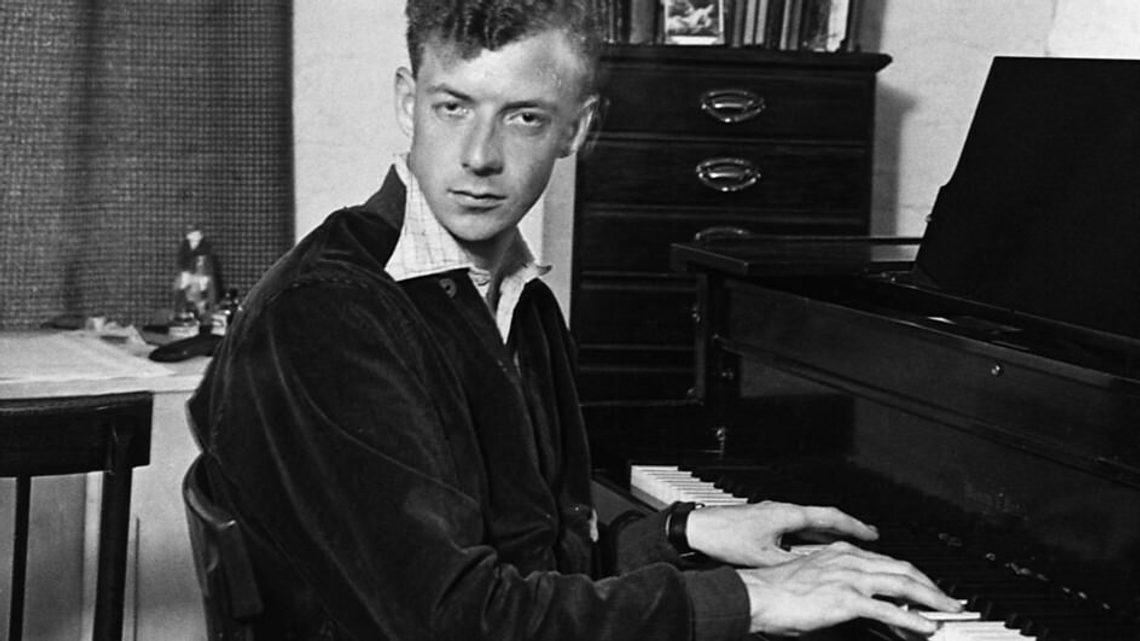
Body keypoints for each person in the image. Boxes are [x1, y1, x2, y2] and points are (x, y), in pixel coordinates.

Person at [187, 0, 962, 639]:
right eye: (452, 106)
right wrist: (754, 599)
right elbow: (454, 620)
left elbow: (535, 542)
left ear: (577, 130)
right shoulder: (331, 313)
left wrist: (685, 532)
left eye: (523, 117)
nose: (479, 155)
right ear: (406, 99)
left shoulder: (515, 296)